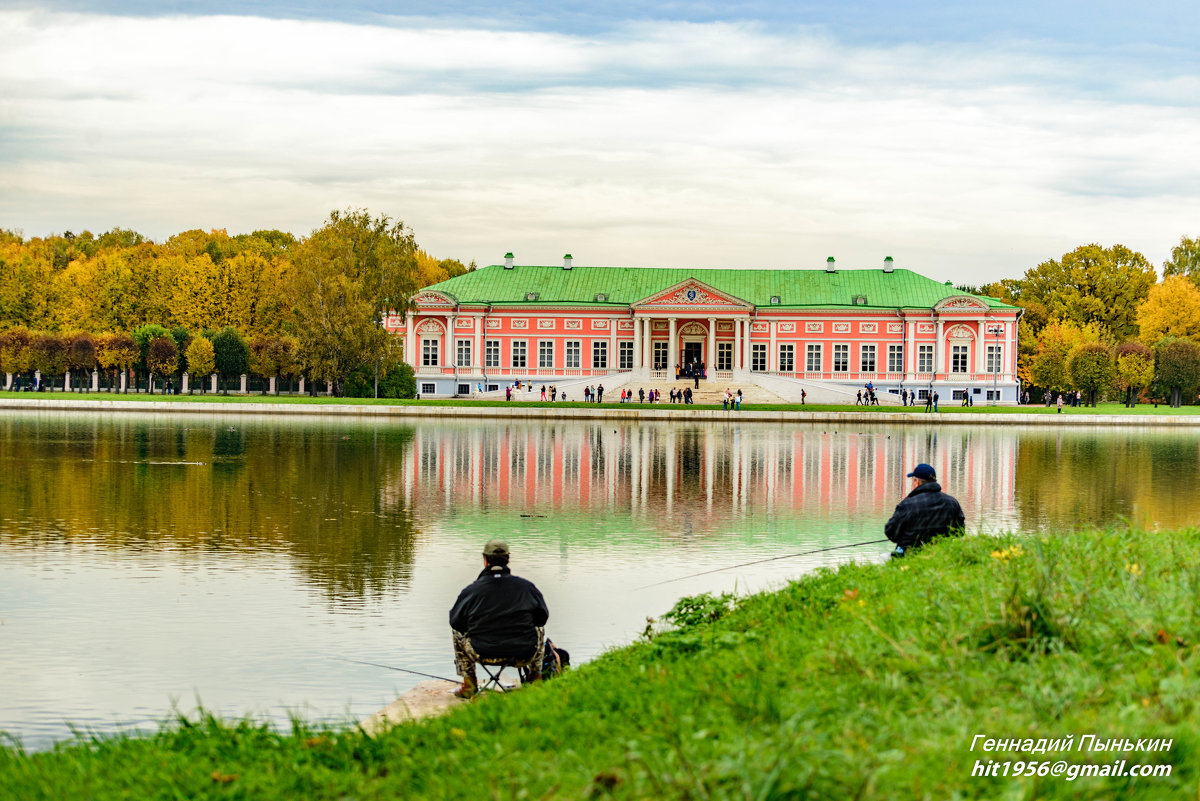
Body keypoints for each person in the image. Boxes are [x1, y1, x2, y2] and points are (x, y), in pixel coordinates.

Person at [449, 540, 550, 699]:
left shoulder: (472, 591)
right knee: (539, 629)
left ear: (485, 560)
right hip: (523, 655)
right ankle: (535, 680)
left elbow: (456, 622)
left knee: (457, 632)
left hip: (482, 653)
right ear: (508, 558)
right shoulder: (527, 588)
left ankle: (469, 684)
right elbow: (542, 618)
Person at [885, 464, 965, 558]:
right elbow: (960, 532)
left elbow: (890, 532)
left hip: (910, 556)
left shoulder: (907, 504)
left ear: (917, 482)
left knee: (884, 558)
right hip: (942, 556)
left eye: (913, 481)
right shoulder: (952, 503)